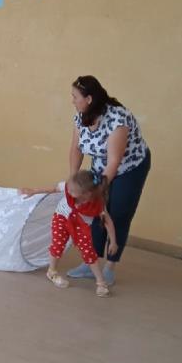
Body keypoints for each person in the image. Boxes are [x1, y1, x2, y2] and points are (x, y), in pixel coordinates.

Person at [67, 75, 150, 284]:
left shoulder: (117, 119)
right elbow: (76, 149)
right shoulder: (81, 115)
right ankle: (91, 263)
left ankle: (110, 267)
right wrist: (73, 179)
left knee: (118, 213)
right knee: (96, 211)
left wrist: (98, 190)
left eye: (75, 97)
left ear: (89, 99)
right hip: (101, 164)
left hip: (130, 167)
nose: (72, 100)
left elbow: (114, 161)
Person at [21, 171, 118, 298]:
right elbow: (53, 189)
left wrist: (113, 241)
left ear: (86, 194)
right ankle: (52, 271)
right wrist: (33, 191)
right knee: (58, 244)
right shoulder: (69, 186)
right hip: (61, 217)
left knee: (88, 251)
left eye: (72, 191)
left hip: (81, 225)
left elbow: (108, 222)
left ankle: (101, 282)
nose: (69, 191)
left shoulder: (97, 204)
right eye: (69, 188)